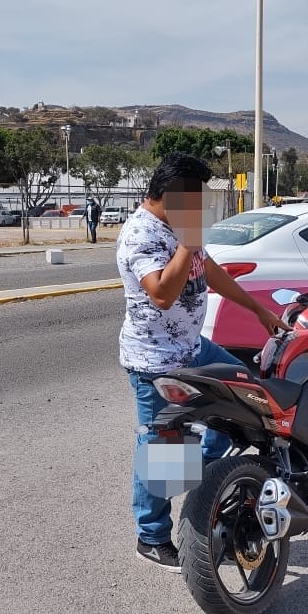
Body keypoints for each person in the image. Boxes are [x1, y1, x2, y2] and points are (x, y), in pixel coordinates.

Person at [117, 152, 289, 570]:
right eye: (195, 199)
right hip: (156, 363)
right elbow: (161, 294)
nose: (201, 207)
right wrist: (187, 242)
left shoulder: (178, 227)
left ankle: (202, 474)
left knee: (249, 396)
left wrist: (258, 310)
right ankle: (152, 537)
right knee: (160, 453)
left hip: (195, 349)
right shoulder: (140, 234)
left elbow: (207, 269)